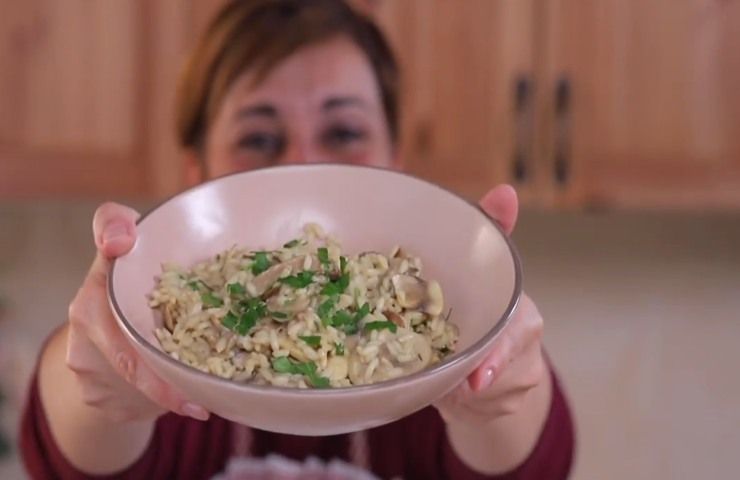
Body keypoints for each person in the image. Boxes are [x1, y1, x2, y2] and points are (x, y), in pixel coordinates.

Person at [20, 1, 574, 478]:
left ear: (397, 160)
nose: (303, 166)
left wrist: (497, 376)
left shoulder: (428, 336)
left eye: (343, 132)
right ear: (195, 173)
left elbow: (529, 466)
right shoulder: (171, 342)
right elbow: (69, 453)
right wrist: (105, 370)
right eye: (259, 138)